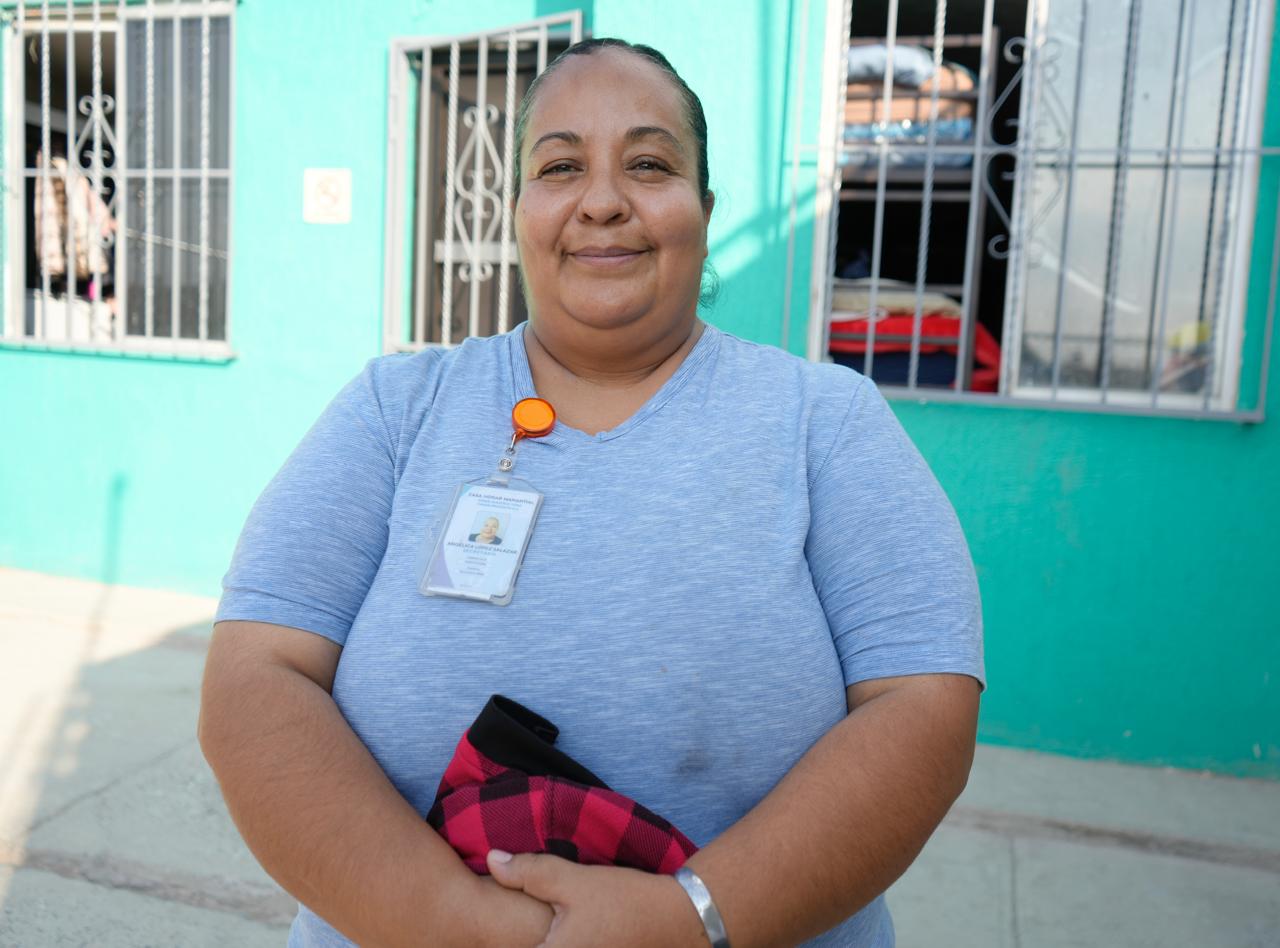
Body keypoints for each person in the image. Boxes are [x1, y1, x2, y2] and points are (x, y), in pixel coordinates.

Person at [199, 38, 983, 948]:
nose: (602, 201)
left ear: (705, 211)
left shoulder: (825, 422)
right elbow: (255, 679)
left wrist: (691, 919)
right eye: (561, 166)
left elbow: (922, 705)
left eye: (648, 165)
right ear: (519, 211)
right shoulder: (394, 409)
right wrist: (456, 925)